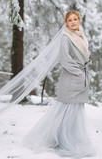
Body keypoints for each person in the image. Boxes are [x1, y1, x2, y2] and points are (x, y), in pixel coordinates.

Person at [23, 10, 96, 158]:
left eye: (75, 19)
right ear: (66, 23)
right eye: (69, 20)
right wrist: (78, 72)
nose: (73, 22)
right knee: (65, 110)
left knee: (76, 111)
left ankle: (71, 137)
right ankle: (62, 140)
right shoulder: (65, 37)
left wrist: (83, 74)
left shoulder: (81, 35)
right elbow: (64, 59)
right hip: (71, 78)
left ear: (79, 20)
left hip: (80, 78)